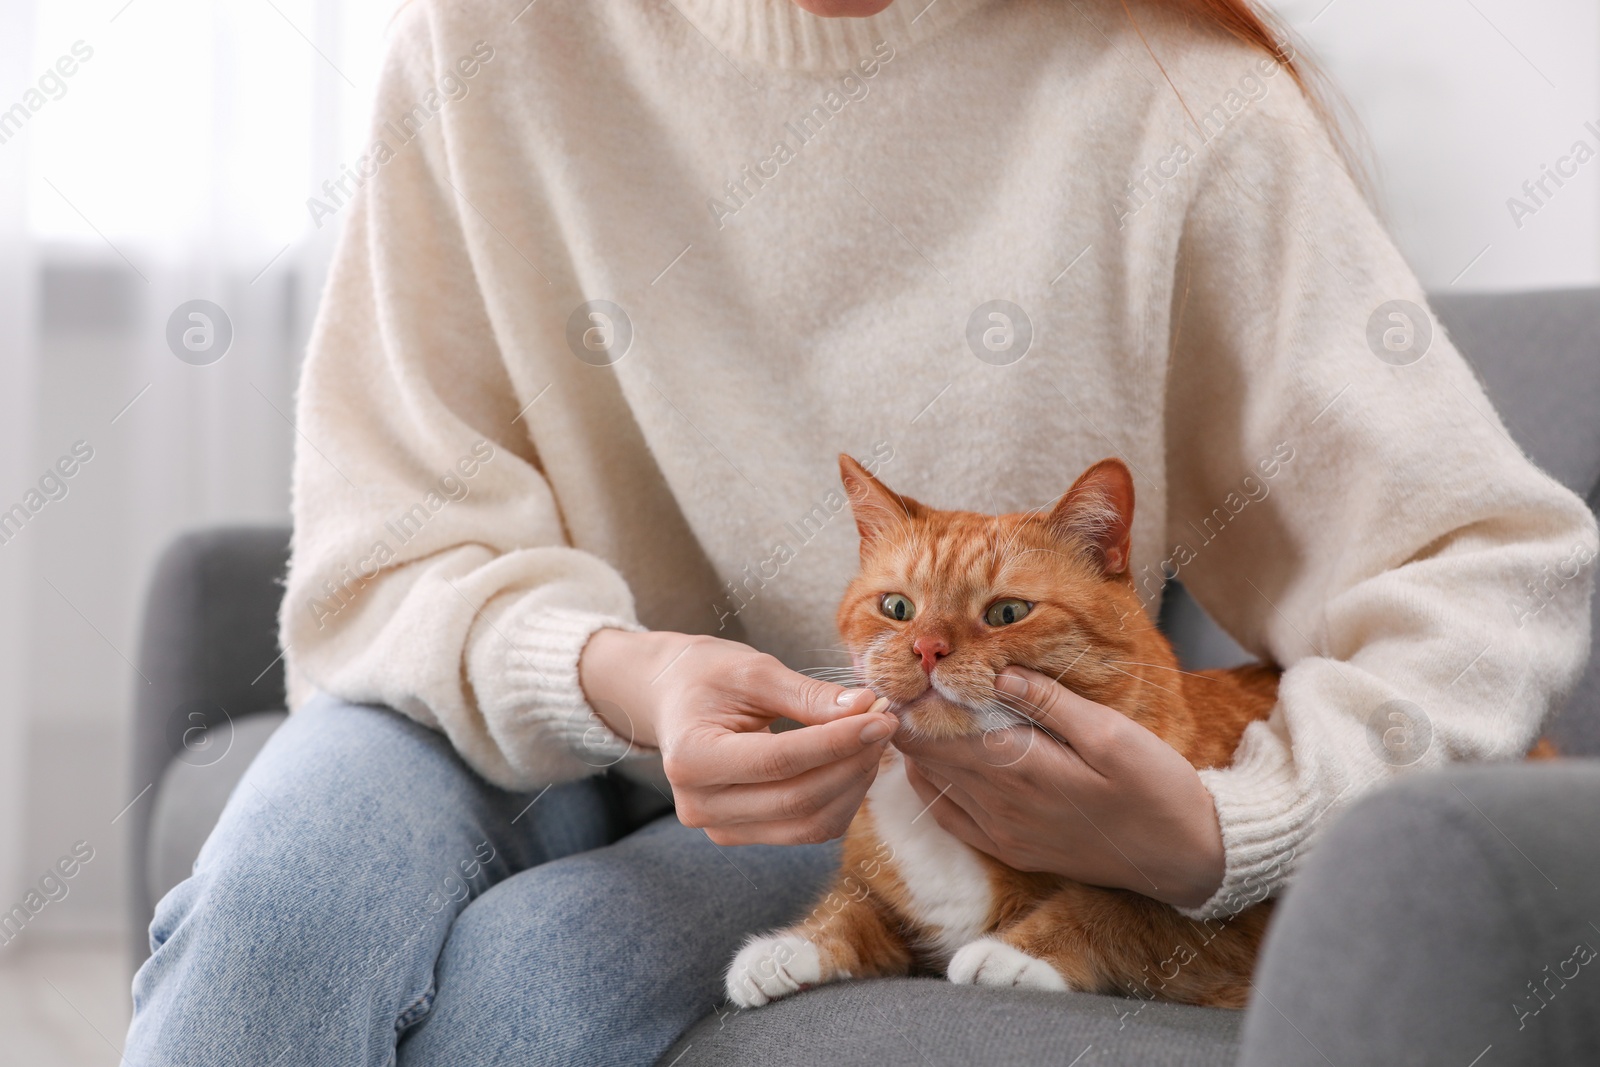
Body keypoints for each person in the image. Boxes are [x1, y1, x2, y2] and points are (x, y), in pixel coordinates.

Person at [125, 0, 1597, 1063]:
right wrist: (628, 676)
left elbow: (1488, 566)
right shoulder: (485, 43)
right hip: (505, 700)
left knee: (535, 984)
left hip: (889, 774)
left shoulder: (1174, 99)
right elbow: (386, 539)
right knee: (277, 915)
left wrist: (1229, 830)